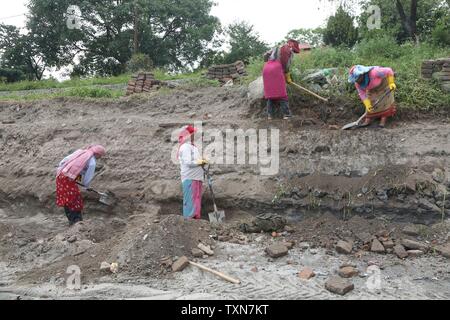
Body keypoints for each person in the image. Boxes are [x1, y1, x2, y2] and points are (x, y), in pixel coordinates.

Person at [56, 145, 106, 225]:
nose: (100, 158)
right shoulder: (92, 161)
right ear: (97, 154)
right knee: (75, 199)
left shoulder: (80, 152)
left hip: (61, 175)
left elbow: (64, 162)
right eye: (100, 156)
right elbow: (88, 177)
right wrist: (86, 186)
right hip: (67, 179)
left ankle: (72, 221)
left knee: (67, 199)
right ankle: (76, 222)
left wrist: (74, 178)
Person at [263, 39, 301, 120]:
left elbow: (265, 57)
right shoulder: (288, 50)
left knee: (270, 94)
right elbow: (286, 66)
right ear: (294, 47)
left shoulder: (277, 47)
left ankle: (270, 115)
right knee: (282, 95)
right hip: (276, 69)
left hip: (266, 68)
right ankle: (287, 114)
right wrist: (287, 76)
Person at [177, 125, 207, 220]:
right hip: (190, 177)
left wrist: (203, 162)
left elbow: (196, 161)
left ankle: (196, 220)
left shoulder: (193, 147)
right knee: (191, 200)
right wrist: (200, 162)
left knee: (196, 199)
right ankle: (189, 220)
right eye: (193, 134)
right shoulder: (185, 147)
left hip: (197, 177)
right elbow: (188, 162)